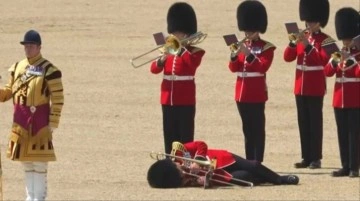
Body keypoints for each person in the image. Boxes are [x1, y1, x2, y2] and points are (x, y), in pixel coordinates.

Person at [0, 30, 64, 200]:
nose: (28, 49)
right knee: (26, 163)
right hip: (20, 122)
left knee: (39, 164)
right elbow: (7, 93)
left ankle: (39, 198)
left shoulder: (49, 70)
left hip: (40, 123)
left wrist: (53, 123)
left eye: (31, 46)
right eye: (26, 46)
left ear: (39, 47)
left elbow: (58, 99)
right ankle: (30, 198)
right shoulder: (17, 67)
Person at [283, 0, 335, 169]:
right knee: (303, 122)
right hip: (300, 84)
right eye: (308, 21)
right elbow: (287, 57)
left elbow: (323, 60)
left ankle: (316, 157)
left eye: (312, 21)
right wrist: (293, 43)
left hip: (315, 85)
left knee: (315, 122)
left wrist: (307, 46)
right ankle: (306, 156)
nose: (309, 23)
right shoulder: (302, 36)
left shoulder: (327, 41)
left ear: (320, 21)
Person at [150, 2, 205, 154]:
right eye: (174, 32)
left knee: (185, 137)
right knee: (169, 134)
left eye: (178, 33)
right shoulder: (168, 49)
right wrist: (162, 58)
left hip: (185, 99)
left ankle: (185, 165)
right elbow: (154, 69)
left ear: (186, 34)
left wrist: (179, 49)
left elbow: (191, 64)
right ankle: (170, 162)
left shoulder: (195, 51)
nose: (175, 35)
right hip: (167, 98)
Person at [228, 0, 276, 163]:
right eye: (246, 30)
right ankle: (249, 160)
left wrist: (248, 54)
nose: (248, 33)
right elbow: (234, 68)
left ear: (258, 30)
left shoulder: (266, 47)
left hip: (256, 93)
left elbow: (263, 66)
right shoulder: (242, 45)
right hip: (241, 93)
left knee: (257, 129)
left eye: (251, 30)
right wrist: (234, 56)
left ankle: (258, 160)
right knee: (247, 129)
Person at [147, 141, 299, 188]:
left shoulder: (178, 152)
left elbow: (200, 145)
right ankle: (266, 179)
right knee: (246, 177)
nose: (183, 171)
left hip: (222, 158)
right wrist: (204, 182)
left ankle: (280, 179)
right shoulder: (182, 180)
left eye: (179, 169)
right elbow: (203, 182)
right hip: (219, 174)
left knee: (253, 165)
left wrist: (198, 162)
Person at [324, 7, 360, 178]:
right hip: (339, 98)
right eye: (344, 39)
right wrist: (335, 60)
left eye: (348, 39)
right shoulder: (339, 52)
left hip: (355, 98)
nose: (346, 42)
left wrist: (351, 60)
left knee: (355, 134)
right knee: (342, 133)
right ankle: (345, 165)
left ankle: (354, 167)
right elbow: (327, 72)